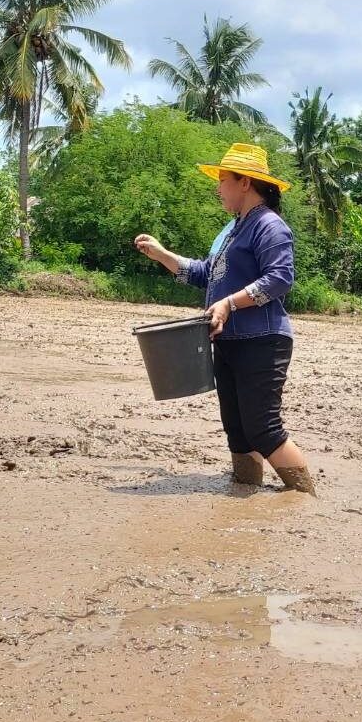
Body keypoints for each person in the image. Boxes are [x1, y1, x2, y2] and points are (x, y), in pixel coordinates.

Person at [134, 143, 316, 494]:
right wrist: (162, 255)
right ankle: (244, 491)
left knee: (263, 428)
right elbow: (206, 274)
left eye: (222, 179)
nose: (217, 187)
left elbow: (280, 279)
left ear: (244, 183)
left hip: (263, 341)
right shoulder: (231, 230)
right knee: (236, 427)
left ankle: (305, 497)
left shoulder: (269, 226)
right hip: (228, 340)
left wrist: (229, 304)